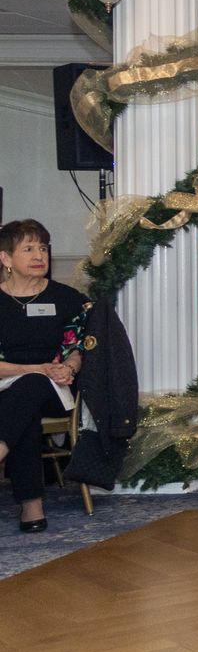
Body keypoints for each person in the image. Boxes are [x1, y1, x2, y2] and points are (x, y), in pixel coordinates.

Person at [0, 220, 89, 533]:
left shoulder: (67, 299)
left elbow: (77, 347)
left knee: (30, 390)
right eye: (28, 249)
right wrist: (35, 368)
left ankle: (28, 498)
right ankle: (31, 505)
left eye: (43, 248)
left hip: (54, 389)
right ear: (6, 259)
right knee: (23, 402)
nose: (39, 255)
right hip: (7, 388)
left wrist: (70, 367)